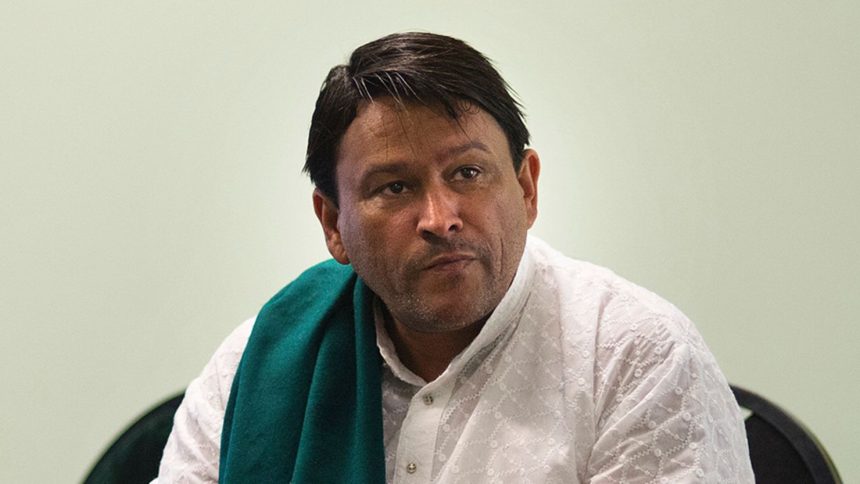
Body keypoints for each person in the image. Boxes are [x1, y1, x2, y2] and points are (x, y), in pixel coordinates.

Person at [154, 32, 754, 483]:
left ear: (526, 188)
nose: (440, 218)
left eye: (468, 172)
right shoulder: (258, 363)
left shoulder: (634, 356)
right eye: (394, 187)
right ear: (334, 223)